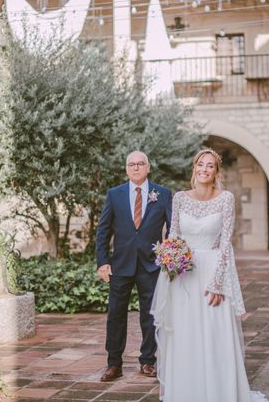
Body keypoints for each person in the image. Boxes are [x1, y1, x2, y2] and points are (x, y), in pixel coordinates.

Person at [151, 148, 267, 402]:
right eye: (201, 164)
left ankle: (219, 392)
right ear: (194, 168)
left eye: (210, 166)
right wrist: (170, 260)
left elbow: (226, 242)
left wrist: (217, 283)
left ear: (216, 172)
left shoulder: (226, 198)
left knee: (215, 333)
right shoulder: (180, 198)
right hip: (184, 274)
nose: (204, 169)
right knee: (186, 334)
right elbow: (173, 235)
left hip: (213, 272)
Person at [95, 151, 172, 382]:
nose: (136, 167)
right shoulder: (114, 194)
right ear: (126, 168)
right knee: (116, 315)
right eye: (131, 164)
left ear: (148, 167)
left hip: (151, 265)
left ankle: (148, 361)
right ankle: (114, 364)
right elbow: (103, 231)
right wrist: (103, 261)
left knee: (150, 315)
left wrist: (169, 258)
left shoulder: (163, 194)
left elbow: (174, 229)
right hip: (120, 265)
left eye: (140, 164)